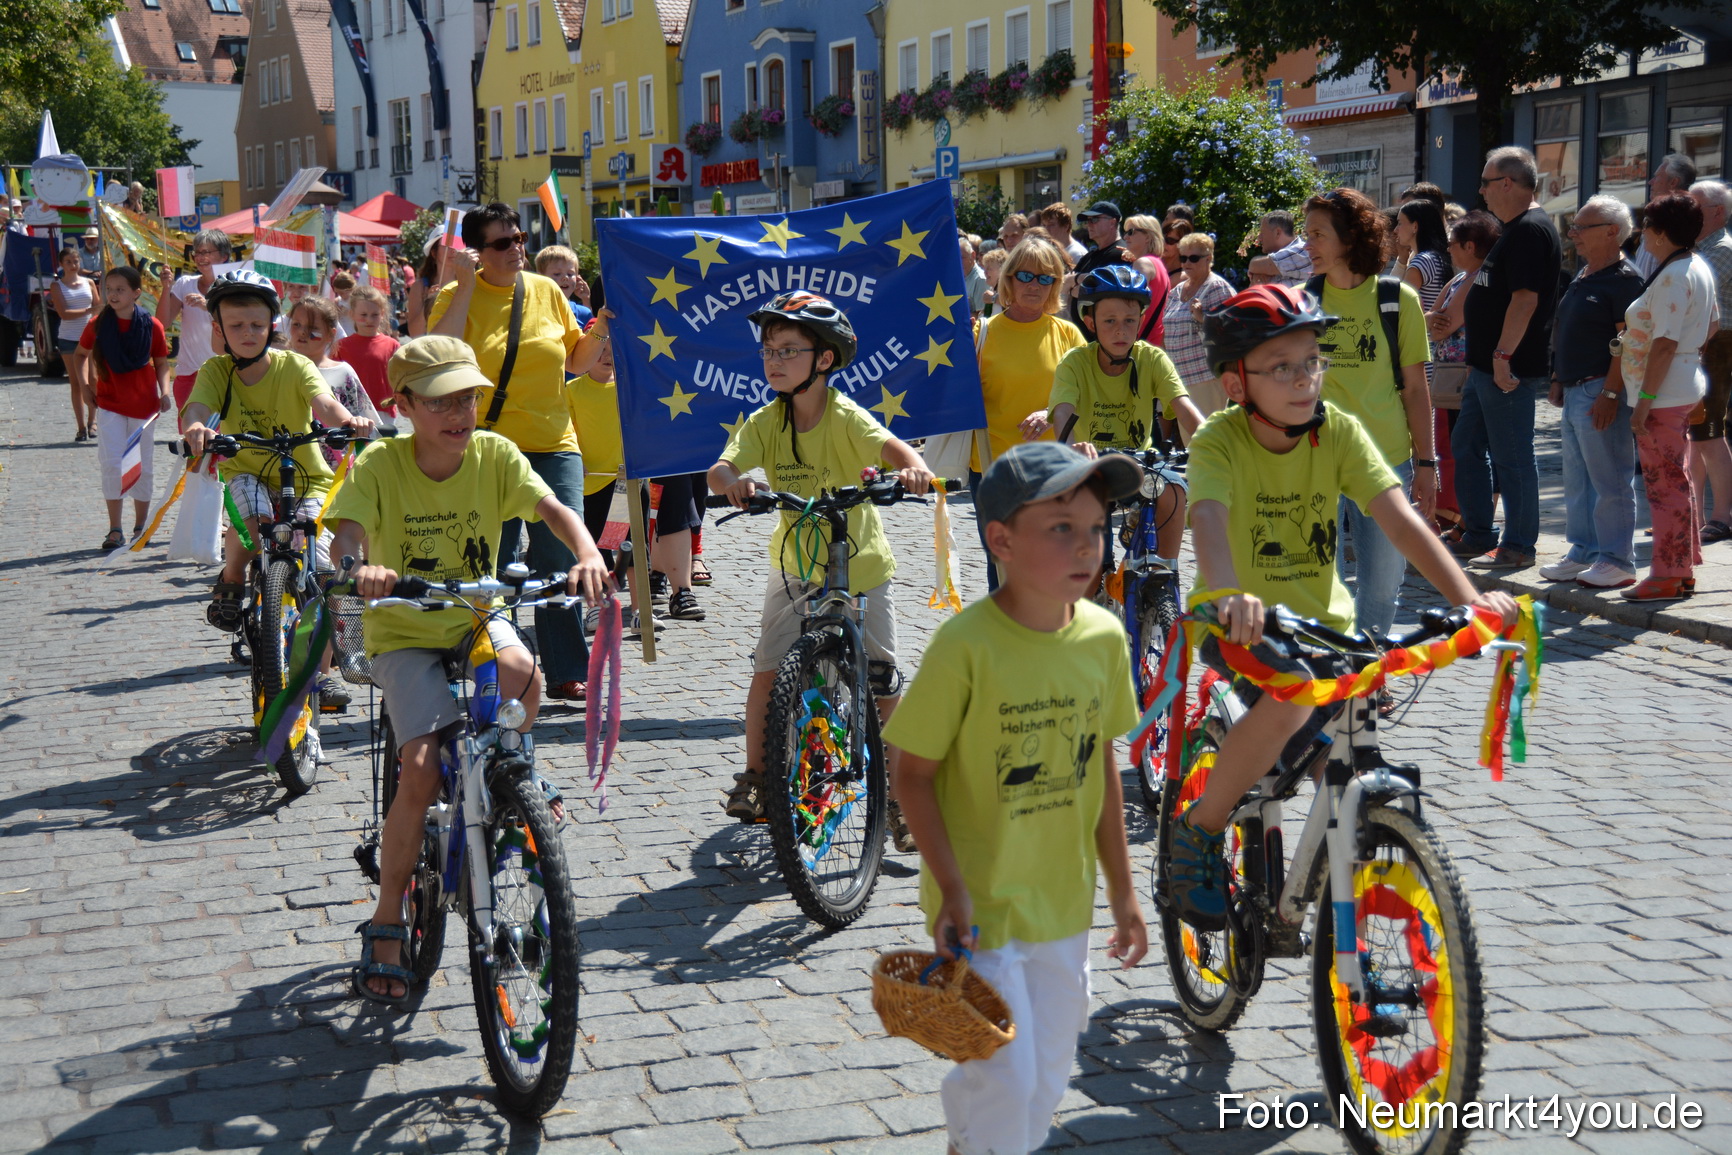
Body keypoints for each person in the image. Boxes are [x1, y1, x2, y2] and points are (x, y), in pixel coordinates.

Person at [1162, 283, 1517, 929]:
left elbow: (1404, 522)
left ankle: (1346, 882)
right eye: (1280, 368)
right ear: (1237, 383)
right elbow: (1208, 518)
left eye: (1310, 362)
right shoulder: (1219, 440)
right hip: (1240, 621)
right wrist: (1226, 593)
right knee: (1292, 696)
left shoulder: (1339, 431)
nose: (1303, 380)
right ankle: (1200, 830)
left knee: (1347, 757)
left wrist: (1472, 602)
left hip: (1327, 627)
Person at [884, 440, 1147, 1155]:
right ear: (1000, 538)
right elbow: (911, 774)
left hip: (1062, 905)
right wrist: (950, 889)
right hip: (981, 912)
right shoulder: (965, 645)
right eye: (1060, 527)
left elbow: (1101, 775)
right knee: (1005, 1072)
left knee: (1048, 1076)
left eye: (1096, 527)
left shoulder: (1103, 636)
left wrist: (1123, 893)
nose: (1087, 545)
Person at [329, 336, 609, 1004]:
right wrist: (357, 565)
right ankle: (389, 911)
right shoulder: (380, 464)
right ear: (403, 405)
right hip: (404, 627)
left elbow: (553, 509)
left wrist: (588, 549)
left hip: (477, 613)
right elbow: (345, 532)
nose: (461, 411)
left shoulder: (495, 453)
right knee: (421, 769)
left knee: (526, 677)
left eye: (470, 396)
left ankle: (511, 769)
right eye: (441, 400)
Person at [708, 291, 935, 826]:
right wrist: (734, 482)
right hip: (796, 568)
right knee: (768, 670)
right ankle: (757, 777)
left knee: (882, 679)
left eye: (789, 350)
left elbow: (896, 449)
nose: (774, 361)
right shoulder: (766, 421)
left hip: (863, 569)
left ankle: (898, 799)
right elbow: (718, 470)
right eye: (768, 350)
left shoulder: (845, 417)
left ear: (824, 359)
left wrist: (913, 470)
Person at [429, 203, 611, 703]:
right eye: (501, 243)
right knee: (496, 561)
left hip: (554, 444)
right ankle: (504, 665)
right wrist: (465, 285)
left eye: (519, 238)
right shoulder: (456, 293)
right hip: (486, 448)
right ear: (476, 252)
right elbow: (439, 352)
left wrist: (600, 329)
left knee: (559, 558)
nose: (516, 249)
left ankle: (566, 668)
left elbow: (575, 360)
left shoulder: (547, 291)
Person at [180, 271, 374, 631]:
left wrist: (349, 422)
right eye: (236, 325)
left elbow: (325, 404)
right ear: (219, 328)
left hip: (308, 476)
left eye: (257, 324)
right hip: (245, 469)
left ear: (272, 324)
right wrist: (196, 426)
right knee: (255, 531)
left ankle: (320, 674)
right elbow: (198, 406)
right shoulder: (216, 370)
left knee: (322, 569)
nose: (248, 333)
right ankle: (234, 577)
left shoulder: (295, 365)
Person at [1301, 188, 1436, 644]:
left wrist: (1427, 464)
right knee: (1323, 583)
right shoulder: (1301, 303)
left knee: (1380, 586)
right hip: (1315, 462)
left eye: (1318, 234)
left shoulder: (1398, 300)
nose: (1308, 245)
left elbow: (1416, 390)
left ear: (1350, 237)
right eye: (1306, 235)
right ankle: (1331, 679)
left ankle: (1368, 672)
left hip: (1386, 461)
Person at [1023, 265, 1205, 572]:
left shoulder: (1152, 358)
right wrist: (1071, 447)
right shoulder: (1075, 362)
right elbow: (1064, 411)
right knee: (1092, 569)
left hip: (1140, 464)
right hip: (1089, 468)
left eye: (1129, 320)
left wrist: (1215, 445)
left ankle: (1163, 570)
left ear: (1141, 321)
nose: (1120, 330)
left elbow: (1185, 409)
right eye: (1109, 321)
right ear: (1091, 322)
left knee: (1174, 487)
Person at [1452, 145, 1561, 570]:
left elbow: (1525, 300)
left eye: (1485, 182)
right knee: (1467, 445)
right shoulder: (1514, 228)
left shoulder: (1531, 229)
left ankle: (1518, 545)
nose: (1480, 192)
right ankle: (1479, 531)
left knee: (1512, 455)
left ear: (1508, 183)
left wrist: (1502, 355)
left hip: (1506, 367)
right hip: (1485, 367)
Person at [1538, 196, 1645, 590]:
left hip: (1601, 388)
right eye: (1575, 226)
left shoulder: (1625, 280)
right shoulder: (1585, 274)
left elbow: (1628, 341)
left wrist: (1612, 394)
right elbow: (1567, 329)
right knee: (1578, 479)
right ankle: (1583, 550)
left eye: (1583, 227)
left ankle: (1617, 558)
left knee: (1610, 479)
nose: (1574, 233)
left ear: (1612, 231)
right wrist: (1556, 377)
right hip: (1574, 387)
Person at [1618, 194, 1719, 602]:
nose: (1644, 236)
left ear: (1660, 233)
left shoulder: (1676, 274)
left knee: (1664, 484)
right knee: (1677, 478)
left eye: (1647, 229)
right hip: (1680, 383)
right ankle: (1681, 567)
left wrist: (1645, 399)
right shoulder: (1695, 266)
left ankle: (1668, 572)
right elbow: (1711, 324)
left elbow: (1663, 343)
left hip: (1663, 393)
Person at [971, 237, 1085, 592]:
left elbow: (1087, 393)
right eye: (1025, 276)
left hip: (1053, 471)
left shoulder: (1067, 334)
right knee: (1004, 566)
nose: (1034, 285)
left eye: (1045, 278)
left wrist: (1051, 413)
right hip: (994, 468)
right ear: (1008, 280)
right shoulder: (981, 334)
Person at [81, 265, 171, 550]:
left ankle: (140, 527)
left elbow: (161, 361)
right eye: (110, 289)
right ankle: (115, 529)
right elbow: (80, 355)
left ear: (136, 293)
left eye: (120, 289)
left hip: (144, 407)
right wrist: (84, 387)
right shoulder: (97, 324)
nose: (113, 295)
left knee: (141, 467)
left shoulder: (152, 325)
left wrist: (165, 392)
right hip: (110, 405)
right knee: (112, 464)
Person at [1425, 211, 1503, 536]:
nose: (1448, 250)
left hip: (1467, 376)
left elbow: (1441, 325)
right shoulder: (1459, 278)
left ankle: (1471, 521)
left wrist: (1431, 321)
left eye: (1453, 244)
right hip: (1452, 376)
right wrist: (1430, 320)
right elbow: (1430, 319)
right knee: (1458, 448)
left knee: (1469, 449)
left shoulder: (1478, 278)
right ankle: (1466, 519)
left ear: (1470, 246)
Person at [1687, 180, 1732, 543]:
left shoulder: (1720, 249)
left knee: (1709, 431)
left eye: (1694, 206)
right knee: (1695, 434)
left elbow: (1693, 299)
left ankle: (1721, 517)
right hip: (1703, 343)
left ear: (1717, 212)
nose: (1687, 213)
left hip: (1716, 344)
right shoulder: (1699, 248)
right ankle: (1693, 515)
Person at [159, 229, 233, 429]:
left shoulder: (233, 287)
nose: (201, 258)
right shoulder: (185, 284)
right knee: (192, 439)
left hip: (224, 373)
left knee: (222, 437)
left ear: (224, 255)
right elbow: (162, 322)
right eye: (197, 253)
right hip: (189, 374)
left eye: (207, 252)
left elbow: (236, 323)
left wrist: (208, 307)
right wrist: (166, 287)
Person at [1161, 232, 1234, 416]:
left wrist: (1203, 317)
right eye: (1183, 258)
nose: (1186, 263)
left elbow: (1232, 329)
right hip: (1180, 380)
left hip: (1207, 378)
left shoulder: (1217, 287)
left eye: (1193, 258)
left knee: (1208, 440)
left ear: (1208, 258)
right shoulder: (1177, 290)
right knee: (1189, 443)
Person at [50, 247, 98, 441]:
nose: (72, 265)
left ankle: (92, 422)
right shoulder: (57, 286)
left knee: (94, 379)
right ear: (61, 264)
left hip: (91, 337)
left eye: (75, 261)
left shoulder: (89, 283)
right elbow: (63, 314)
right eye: (68, 262)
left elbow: (98, 307)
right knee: (77, 382)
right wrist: (89, 310)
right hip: (69, 338)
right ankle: (80, 426)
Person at [336, 285, 400, 418]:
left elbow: (400, 378)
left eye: (374, 315)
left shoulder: (392, 345)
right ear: (352, 314)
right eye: (363, 315)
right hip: (352, 411)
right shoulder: (341, 346)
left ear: (382, 314)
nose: (369, 320)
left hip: (383, 410)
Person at [1066, 201, 1131, 326]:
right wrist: (1078, 285)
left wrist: (1076, 282)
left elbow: (1105, 292)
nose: (1089, 224)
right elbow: (1066, 284)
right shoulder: (1090, 256)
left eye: (1094, 220)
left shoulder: (1121, 253)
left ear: (1112, 222)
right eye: (1088, 220)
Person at [1633, 155, 1699, 278]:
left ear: (1673, 182)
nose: (1650, 182)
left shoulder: (1683, 224)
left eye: (1656, 177)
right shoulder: (1656, 216)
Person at [1121, 214, 1172, 346]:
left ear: (1148, 237)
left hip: (1142, 341)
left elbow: (1131, 304)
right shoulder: (1157, 263)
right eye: (1125, 232)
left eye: (1131, 232)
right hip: (1154, 341)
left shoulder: (1143, 263)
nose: (1126, 237)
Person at [1397, 200, 1453, 313]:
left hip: (1420, 329)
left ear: (1415, 226)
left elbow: (1401, 305)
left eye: (1399, 223)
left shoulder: (1421, 261)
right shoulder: (1437, 257)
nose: (1395, 230)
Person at [534, 244, 595, 327]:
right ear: (540, 277)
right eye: (557, 274)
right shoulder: (533, 310)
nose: (565, 278)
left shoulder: (583, 313)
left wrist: (586, 299)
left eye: (570, 274)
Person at [1247, 210, 1312, 288]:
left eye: (1262, 233)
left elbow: (1255, 265)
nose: (1259, 238)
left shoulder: (1300, 250)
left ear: (1277, 233)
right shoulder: (1281, 258)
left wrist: (1259, 272)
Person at [960, 236, 988, 319]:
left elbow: (981, 315)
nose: (958, 261)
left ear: (973, 255)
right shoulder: (959, 277)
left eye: (962, 257)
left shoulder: (980, 279)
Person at [979, 246, 1008, 316]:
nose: (985, 272)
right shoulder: (992, 290)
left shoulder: (1009, 289)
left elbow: (1012, 302)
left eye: (989, 269)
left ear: (1002, 270)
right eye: (985, 268)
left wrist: (993, 298)